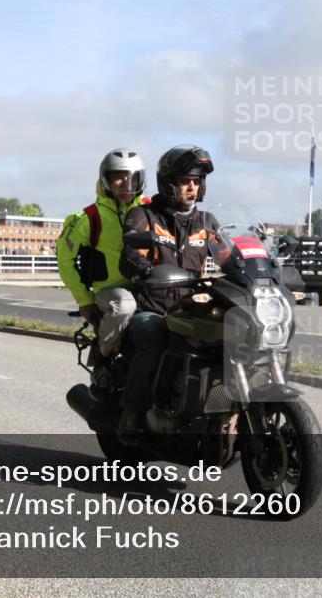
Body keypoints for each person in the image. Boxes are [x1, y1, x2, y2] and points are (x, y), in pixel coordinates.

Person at [117, 145, 220, 445]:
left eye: (197, 181)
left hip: (191, 310)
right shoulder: (145, 216)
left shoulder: (208, 222)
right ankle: (131, 413)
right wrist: (146, 270)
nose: (192, 187)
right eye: (186, 180)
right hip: (152, 308)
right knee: (155, 337)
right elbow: (132, 254)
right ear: (169, 183)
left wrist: (261, 270)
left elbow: (229, 254)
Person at [57, 148, 149, 389]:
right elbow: (64, 259)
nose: (125, 183)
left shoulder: (151, 210)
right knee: (124, 305)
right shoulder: (89, 217)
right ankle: (103, 353)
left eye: (132, 177)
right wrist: (84, 300)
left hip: (149, 287)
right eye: (118, 176)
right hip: (110, 292)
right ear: (105, 179)